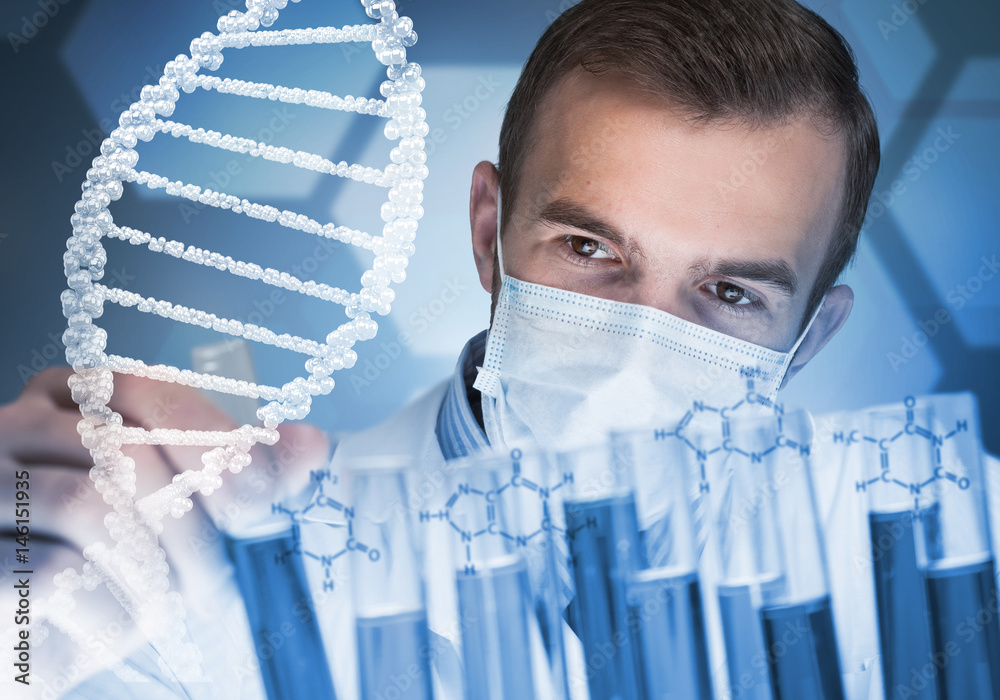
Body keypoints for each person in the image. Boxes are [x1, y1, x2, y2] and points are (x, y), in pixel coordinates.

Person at [2, 0, 886, 697]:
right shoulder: (196, 568)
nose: (635, 353)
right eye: (590, 250)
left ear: (810, 339)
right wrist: (21, 639)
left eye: (732, 294)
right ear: (488, 233)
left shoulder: (957, 546)